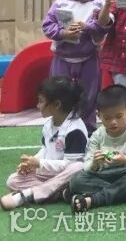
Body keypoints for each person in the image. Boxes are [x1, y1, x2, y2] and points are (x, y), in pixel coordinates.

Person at [66, 85, 126, 213]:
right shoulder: (97, 135)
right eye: (107, 118)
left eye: (119, 116)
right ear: (98, 115)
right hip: (105, 175)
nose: (113, 122)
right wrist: (94, 164)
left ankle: (95, 199)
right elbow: (87, 165)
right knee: (76, 181)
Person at [42, 0, 109, 129]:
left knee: (89, 95)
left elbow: (104, 27)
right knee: (59, 94)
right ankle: (60, 129)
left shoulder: (101, 3)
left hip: (89, 58)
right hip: (62, 59)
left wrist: (87, 27)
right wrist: (63, 33)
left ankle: (87, 130)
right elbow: (47, 26)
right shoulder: (61, 3)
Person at [2, 77, 87, 210]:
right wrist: (32, 162)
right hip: (53, 176)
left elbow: (69, 165)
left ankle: (29, 193)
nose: (38, 105)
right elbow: (45, 149)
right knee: (12, 180)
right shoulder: (48, 124)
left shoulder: (74, 130)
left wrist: (40, 163)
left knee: (78, 167)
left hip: (68, 175)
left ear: (57, 105)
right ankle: (60, 193)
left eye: (41, 101)